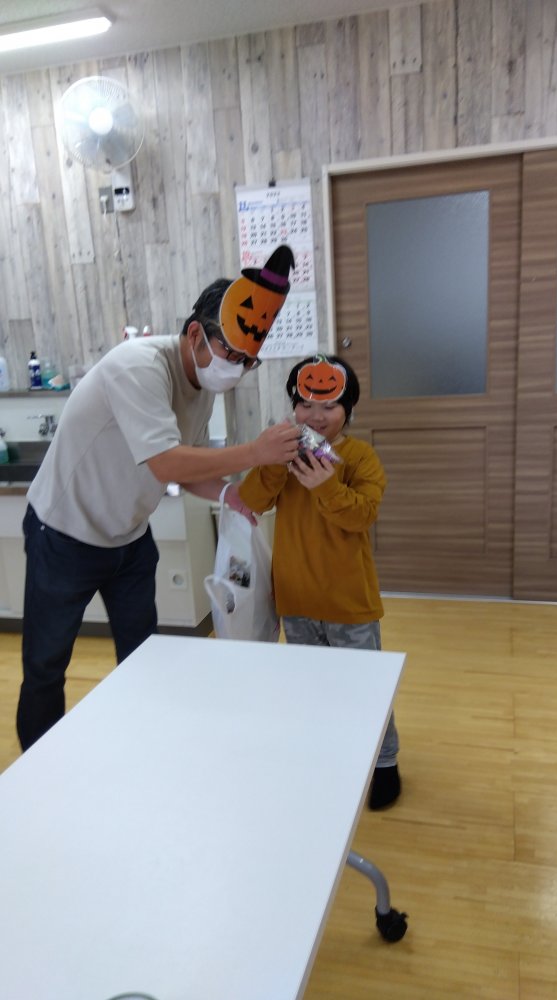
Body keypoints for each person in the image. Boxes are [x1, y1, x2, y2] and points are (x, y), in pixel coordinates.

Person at [17, 246, 300, 752]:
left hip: (128, 539)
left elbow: (189, 468)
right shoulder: (138, 366)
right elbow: (167, 464)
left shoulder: (203, 385)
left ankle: (144, 748)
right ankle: (38, 766)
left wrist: (229, 494)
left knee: (143, 654)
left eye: (247, 361)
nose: (235, 369)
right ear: (195, 335)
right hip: (63, 534)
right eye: (231, 355)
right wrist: (256, 452)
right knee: (46, 664)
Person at [237, 354, 401, 810]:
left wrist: (326, 485)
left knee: (365, 686)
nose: (316, 416)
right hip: (296, 597)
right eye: (306, 404)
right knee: (311, 685)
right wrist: (273, 458)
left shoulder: (360, 457)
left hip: (349, 600)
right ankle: (328, 751)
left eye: (329, 406)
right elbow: (251, 501)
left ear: (348, 409)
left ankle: (385, 761)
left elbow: (363, 516)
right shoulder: (285, 453)